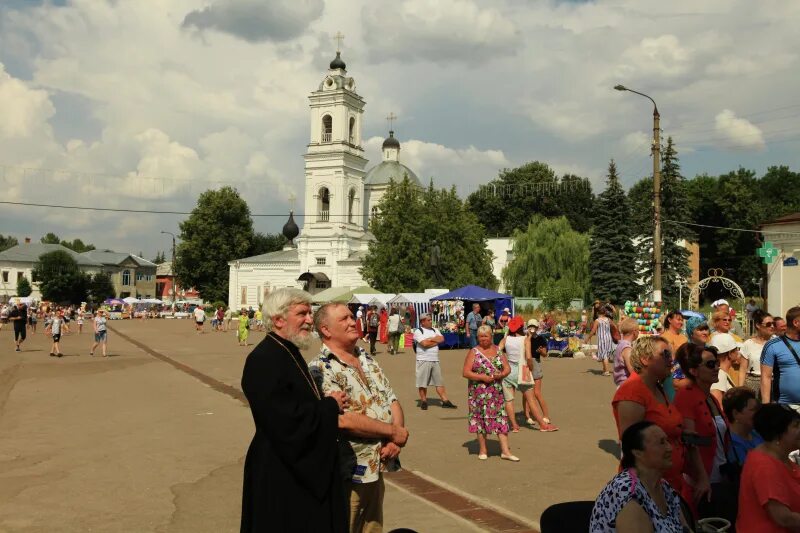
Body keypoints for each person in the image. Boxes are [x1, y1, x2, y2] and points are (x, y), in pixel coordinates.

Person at [240, 288, 349, 533]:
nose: (310, 320)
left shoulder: (287, 351)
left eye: (310, 313)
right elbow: (286, 422)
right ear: (278, 320)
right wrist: (330, 406)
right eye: (302, 313)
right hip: (281, 470)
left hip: (294, 464)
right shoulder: (264, 359)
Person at [308, 303, 409, 533]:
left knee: (373, 528)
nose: (353, 322)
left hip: (379, 465)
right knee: (347, 526)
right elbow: (341, 419)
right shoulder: (320, 368)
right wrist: (392, 432)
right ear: (326, 330)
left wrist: (395, 439)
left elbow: (391, 399)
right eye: (344, 319)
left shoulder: (366, 358)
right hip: (349, 472)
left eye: (352, 317)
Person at [613, 336, 686, 495]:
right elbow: (632, 446)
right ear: (645, 359)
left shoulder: (657, 387)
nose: (671, 360)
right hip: (647, 486)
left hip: (668, 482)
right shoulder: (632, 392)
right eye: (665, 355)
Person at [674, 343, 735, 522]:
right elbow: (690, 440)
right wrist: (701, 478)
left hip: (717, 476)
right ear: (694, 371)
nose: (716, 367)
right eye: (710, 365)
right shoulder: (687, 395)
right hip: (702, 481)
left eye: (716, 363)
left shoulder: (709, 397)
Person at [589, 421, 685, 533]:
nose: (670, 448)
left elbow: (685, 528)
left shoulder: (664, 487)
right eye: (661, 443)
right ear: (637, 453)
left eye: (667, 441)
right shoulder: (627, 493)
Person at [736, 403, 800, 532]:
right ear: (778, 434)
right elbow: (783, 517)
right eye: (796, 425)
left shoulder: (780, 458)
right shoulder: (765, 466)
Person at [462, 324, 518, 461]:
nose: (483, 339)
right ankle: (483, 449)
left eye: (485, 336)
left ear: (491, 336)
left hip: (496, 393)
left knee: (501, 419)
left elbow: (507, 368)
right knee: (480, 419)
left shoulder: (498, 350)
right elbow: (465, 372)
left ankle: (505, 451)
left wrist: (501, 375)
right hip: (478, 394)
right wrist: (481, 377)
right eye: (480, 337)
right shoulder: (473, 352)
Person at [413, 313, 457, 411]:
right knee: (422, 382)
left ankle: (445, 401)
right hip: (423, 359)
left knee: (439, 382)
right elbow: (424, 344)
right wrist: (435, 340)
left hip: (435, 359)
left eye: (430, 319)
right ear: (422, 321)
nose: (430, 321)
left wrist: (431, 340)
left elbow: (442, 339)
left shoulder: (435, 330)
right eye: (428, 320)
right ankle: (424, 401)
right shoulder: (418, 331)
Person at [761, 306, 800, 409]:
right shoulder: (772, 345)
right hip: (785, 407)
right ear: (796, 323)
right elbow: (766, 377)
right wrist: (766, 408)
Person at [523, 318, 558, 430]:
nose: (532, 329)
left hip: (536, 364)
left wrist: (541, 351)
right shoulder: (524, 339)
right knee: (526, 393)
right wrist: (528, 336)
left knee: (537, 393)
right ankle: (527, 416)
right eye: (530, 327)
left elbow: (545, 354)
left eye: (534, 327)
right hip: (525, 364)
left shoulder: (541, 339)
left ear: (537, 328)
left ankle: (546, 416)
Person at [722, 387, 763, 467]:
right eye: (753, 410)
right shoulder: (731, 444)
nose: (759, 413)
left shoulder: (756, 433)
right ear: (736, 414)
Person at [740, 309, 774, 398]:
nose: (772, 326)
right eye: (768, 324)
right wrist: (739, 390)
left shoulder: (777, 343)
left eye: (773, 323)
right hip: (752, 383)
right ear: (758, 325)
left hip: (773, 383)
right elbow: (743, 369)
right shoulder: (748, 344)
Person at [708, 333, 743, 403]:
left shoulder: (720, 373)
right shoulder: (719, 375)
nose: (738, 352)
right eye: (736, 349)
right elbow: (716, 403)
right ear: (730, 354)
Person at [612, 318, 640, 387]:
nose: (639, 333)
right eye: (638, 331)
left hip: (621, 384)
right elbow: (632, 370)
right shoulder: (627, 349)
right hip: (626, 384)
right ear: (634, 332)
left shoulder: (620, 344)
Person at [589, 305, 614, 376]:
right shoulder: (609, 320)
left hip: (602, 339)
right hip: (609, 339)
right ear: (605, 313)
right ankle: (604, 369)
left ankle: (607, 371)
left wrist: (587, 338)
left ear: (598, 313)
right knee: (605, 355)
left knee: (604, 355)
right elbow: (614, 327)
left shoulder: (597, 320)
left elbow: (593, 331)